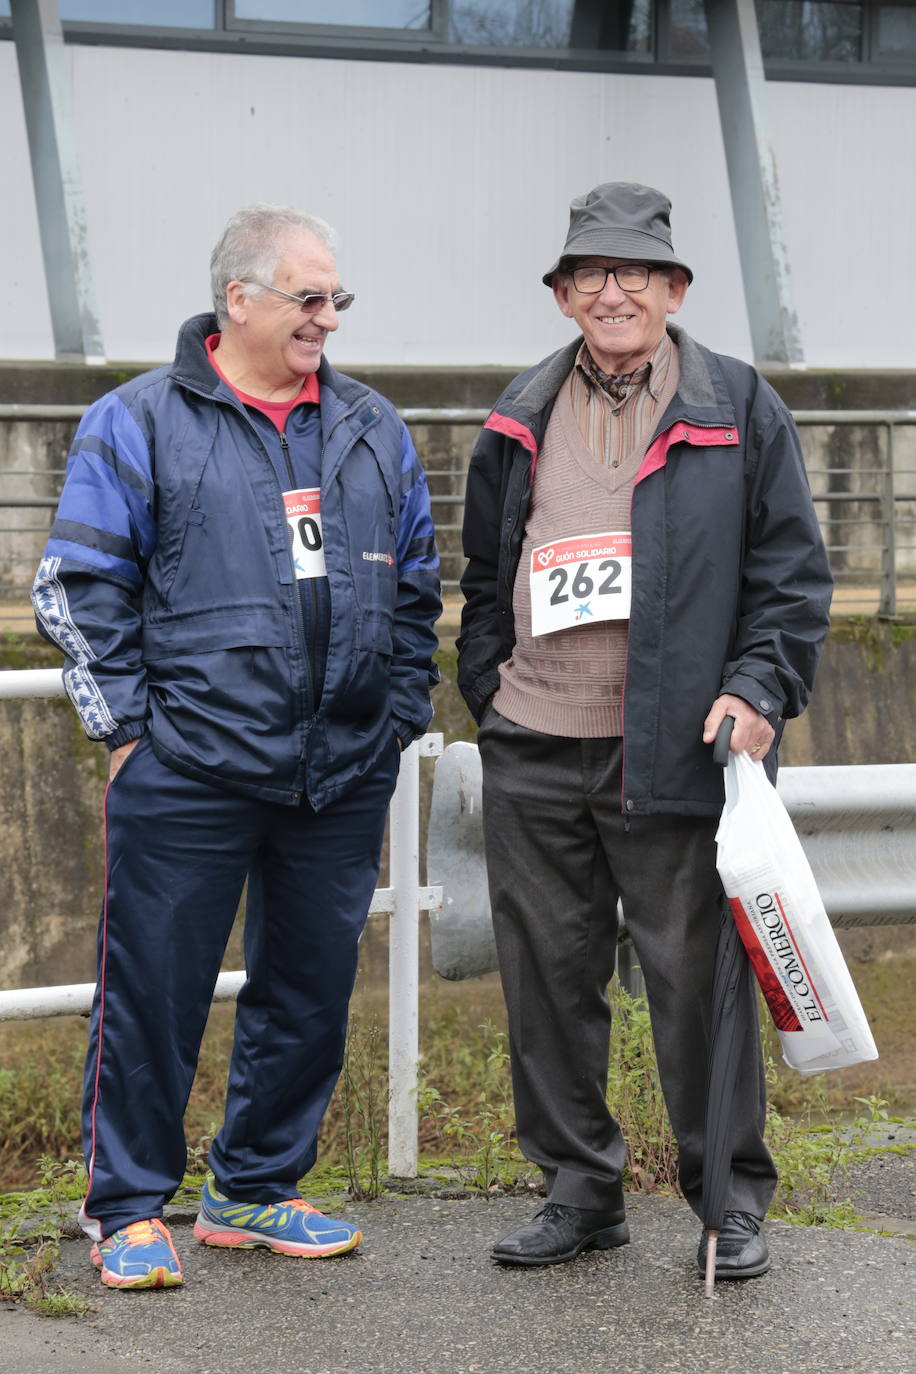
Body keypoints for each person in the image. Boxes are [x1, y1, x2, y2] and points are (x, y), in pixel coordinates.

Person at [32, 203, 440, 1290]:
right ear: (239, 301)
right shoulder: (136, 420)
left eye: (336, 300)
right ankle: (126, 1205)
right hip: (188, 769)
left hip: (342, 769)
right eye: (309, 298)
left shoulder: (371, 429)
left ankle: (254, 1190)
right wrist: (127, 732)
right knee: (154, 994)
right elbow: (76, 585)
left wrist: (395, 716)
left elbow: (415, 590)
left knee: (306, 991)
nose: (327, 320)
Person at [456, 182, 832, 1279]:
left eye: (633, 273)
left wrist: (758, 690)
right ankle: (579, 1193)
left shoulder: (737, 405)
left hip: (673, 742)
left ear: (673, 289)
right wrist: (491, 692)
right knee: (547, 981)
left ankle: (728, 1198)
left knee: (692, 982)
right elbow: (485, 573)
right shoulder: (518, 411)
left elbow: (789, 577)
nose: (610, 291)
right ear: (565, 295)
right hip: (534, 738)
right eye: (588, 274)